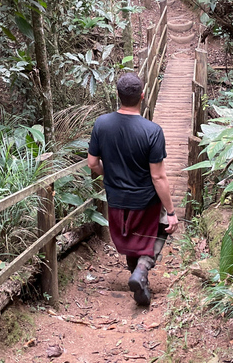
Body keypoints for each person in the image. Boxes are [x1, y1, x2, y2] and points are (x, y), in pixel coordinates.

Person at [87, 72, 179, 306]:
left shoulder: (101, 124)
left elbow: (92, 163)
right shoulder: (152, 131)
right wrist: (170, 211)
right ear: (143, 96)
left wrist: (112, 175)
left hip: (116, 199)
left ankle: (137, 276)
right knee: (159, 230)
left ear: (118, 95)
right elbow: (158, 176)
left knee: (130, 236)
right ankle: (142, 270)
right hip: (145, 201)